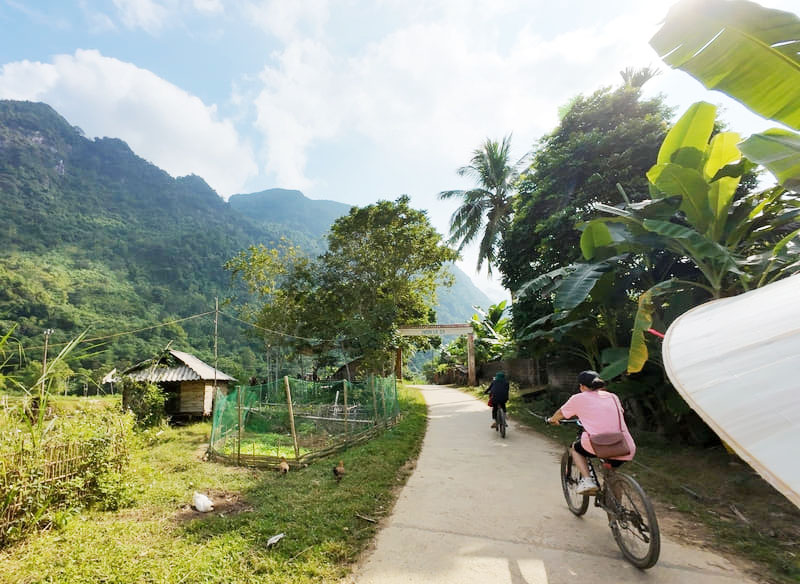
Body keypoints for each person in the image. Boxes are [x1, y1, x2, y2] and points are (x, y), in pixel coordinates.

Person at [547, 370, 635, 495]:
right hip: (625, 445)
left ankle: (587, 480)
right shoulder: (612, 397)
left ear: (582, 386)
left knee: (575, 449)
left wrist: (552, 420)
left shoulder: (578, 398)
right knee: (611, 475)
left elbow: (560, 413)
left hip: (599, 446)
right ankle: (615, 505)